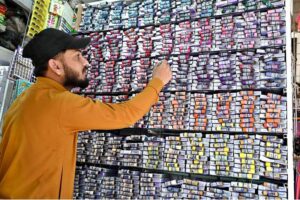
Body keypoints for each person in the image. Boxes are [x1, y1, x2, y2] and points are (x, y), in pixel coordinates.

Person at [0, 28, 172, 198]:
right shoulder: (59, 103)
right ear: (56, 66)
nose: (86, 62)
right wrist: (158, 82)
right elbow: (124, 115)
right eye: (77, 57)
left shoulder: (26, 99)